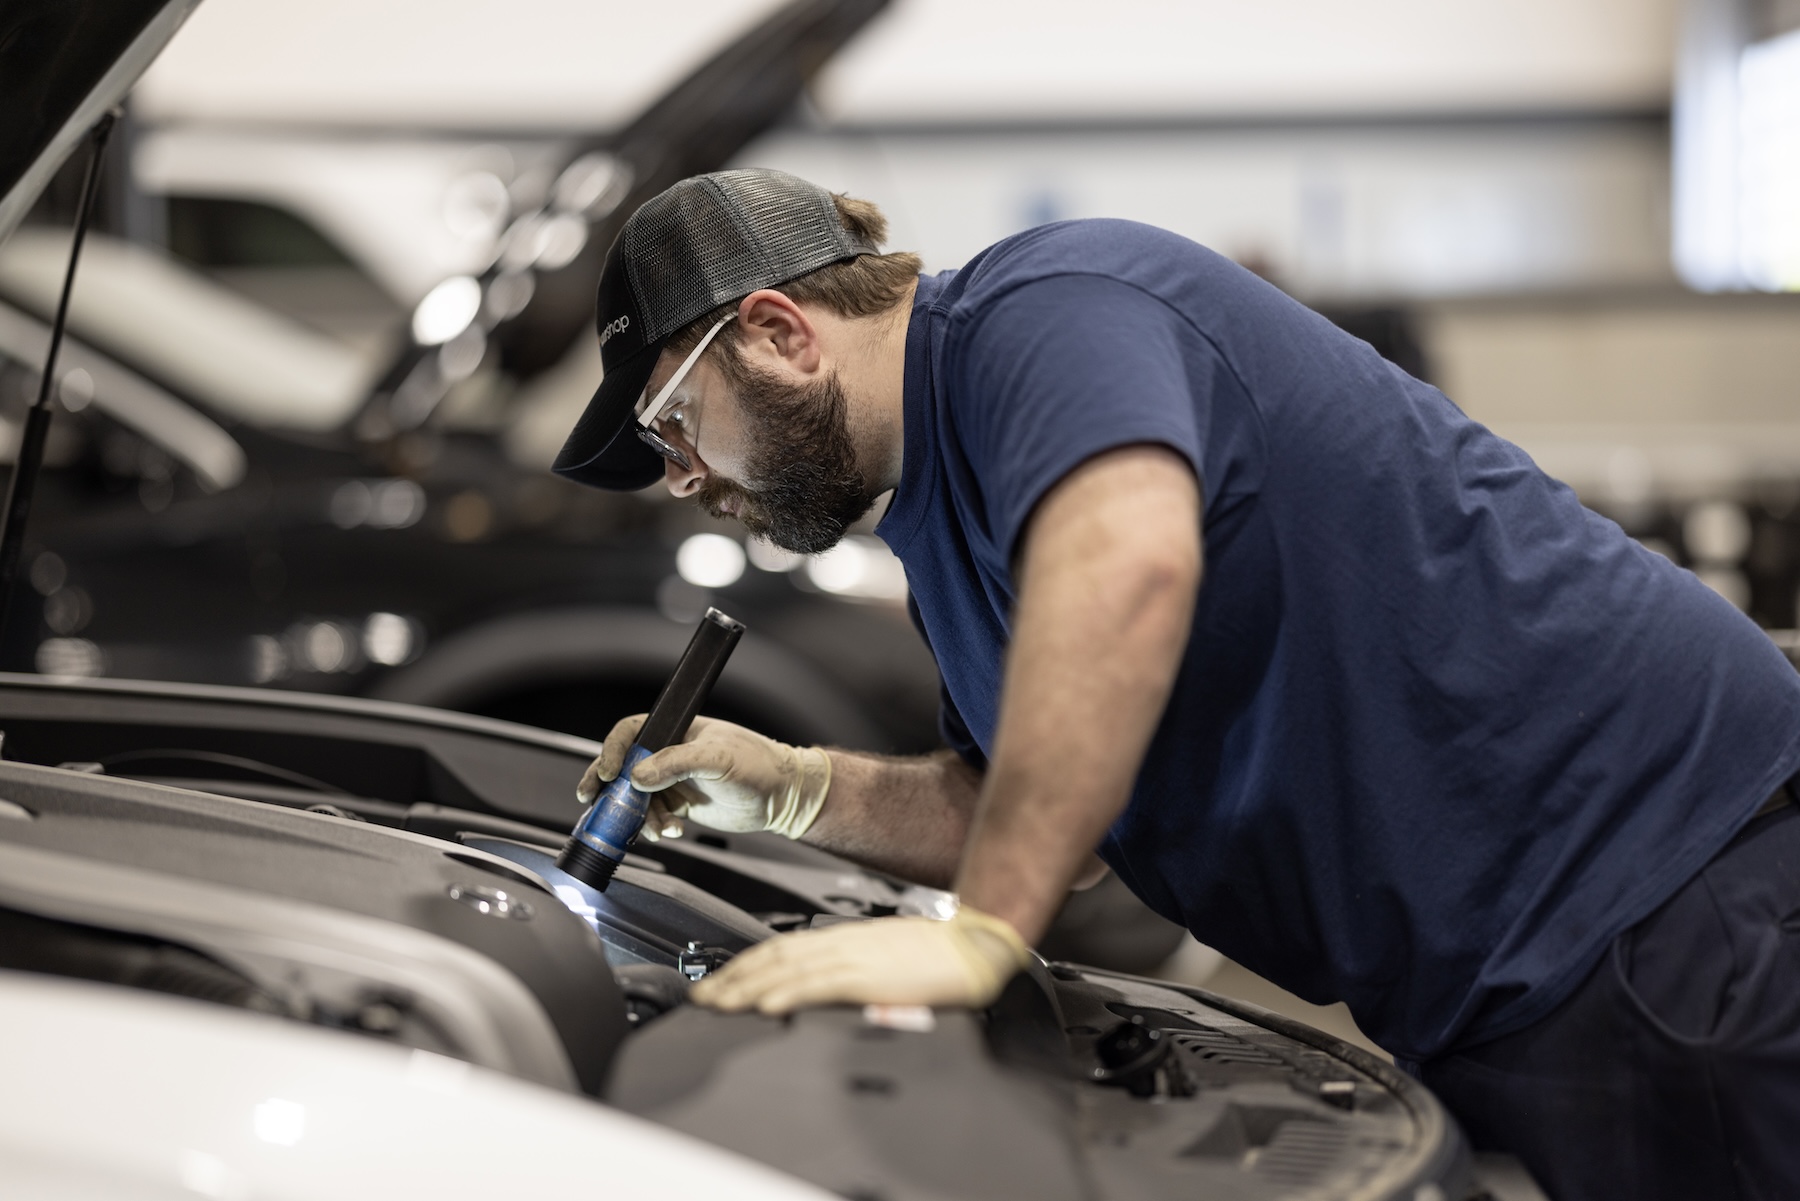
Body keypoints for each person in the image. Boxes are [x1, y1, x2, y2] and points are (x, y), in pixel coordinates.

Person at [554, 168, 1800, 1201]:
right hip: (1502, 979)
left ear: (778, 332)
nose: (680, 476)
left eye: (671, 419)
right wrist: (790, 790)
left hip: (1663, 887)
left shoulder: (1052, 308)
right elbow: (1058, 819)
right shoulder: (941, 529)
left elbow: (1133, 566)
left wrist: (984, 932)